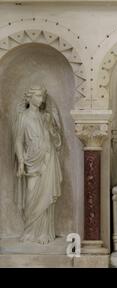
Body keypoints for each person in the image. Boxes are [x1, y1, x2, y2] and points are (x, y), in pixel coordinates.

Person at [14, 86, 62, 244]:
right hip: (31, 161)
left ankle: (43, 233)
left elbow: (57, 139)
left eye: (42, 96)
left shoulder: (46, 117)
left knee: (46, 195)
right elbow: (18, 141)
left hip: (48, 159)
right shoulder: (23, 117)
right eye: (38, 96)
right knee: (31, 194)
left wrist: (52, 130)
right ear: (30, 97)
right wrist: (21, 162)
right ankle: (29, 232)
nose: (42, 99)